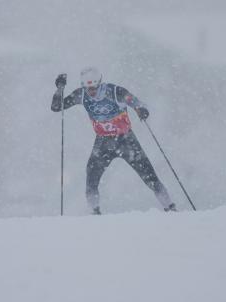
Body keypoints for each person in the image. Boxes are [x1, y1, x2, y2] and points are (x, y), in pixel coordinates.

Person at [51, 66, 176, 214]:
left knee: (149, 176)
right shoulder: (82, 94)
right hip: (103, 142)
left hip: (126, 140)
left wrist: (141, 110)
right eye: (88, 88)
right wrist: (60, 88)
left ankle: (170, 208)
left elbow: (136, 102)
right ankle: (94, 212)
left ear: (100, 83)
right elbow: (57, 107)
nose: (91, 92)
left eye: (94, 88)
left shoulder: (115, 92)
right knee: (91, 176)